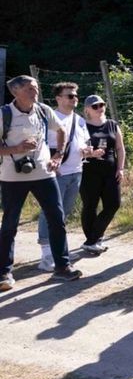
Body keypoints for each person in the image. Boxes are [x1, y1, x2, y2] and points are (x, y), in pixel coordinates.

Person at [0, 75, 81, 290]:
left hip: (44, 174)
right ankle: (4, 273)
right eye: (29, 89)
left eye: (35, 88)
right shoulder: (4, 114)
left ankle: (63, 267)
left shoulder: (43, 110)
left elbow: (61, 130)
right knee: (9, 224)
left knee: (57, 219)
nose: (35, 92)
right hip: (12, 177)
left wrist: (58, 156)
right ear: (15, 92)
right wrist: (16, 149)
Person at [38, 82, 90, 271]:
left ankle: (59, 249)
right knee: (50, 212)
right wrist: (50, 165)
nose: (74, 98)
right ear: (58, 98)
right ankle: (46, 255)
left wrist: (88, 151)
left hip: (77, 170)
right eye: (70, 96)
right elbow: (41, 145)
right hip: (56, 173)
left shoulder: (79, 120)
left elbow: (83, 143)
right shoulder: (50, 118)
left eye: (75, 95)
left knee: (64, 211)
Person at [79, 94, 125, 254]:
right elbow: (76, 150)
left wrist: (120, 168)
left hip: (111, 172)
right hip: (88, 172)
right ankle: (94, 240)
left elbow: (120, 148)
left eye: (102, 105)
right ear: (87, 110)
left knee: (114, 204)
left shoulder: (112, 124)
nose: (99, 108)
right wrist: (90, 154)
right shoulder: (82, 126)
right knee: (90, 206)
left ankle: (92, 239)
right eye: (95, 106)